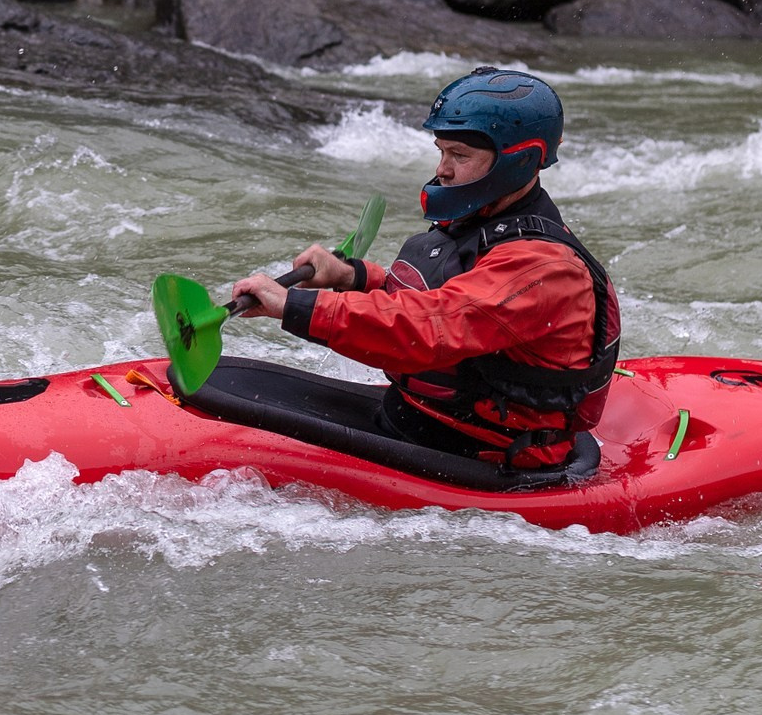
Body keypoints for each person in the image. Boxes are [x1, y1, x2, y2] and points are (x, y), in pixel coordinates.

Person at [229, 67, 621, 473]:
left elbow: (428, 328)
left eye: (460, 155)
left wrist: (293, 305)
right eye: (442, 151)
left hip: (485, 455)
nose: (443, 170)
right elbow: (438, 299)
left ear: (520, 160)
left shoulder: (542, 269)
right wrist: (352, 278)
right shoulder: (482, 223)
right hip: (417, 419)